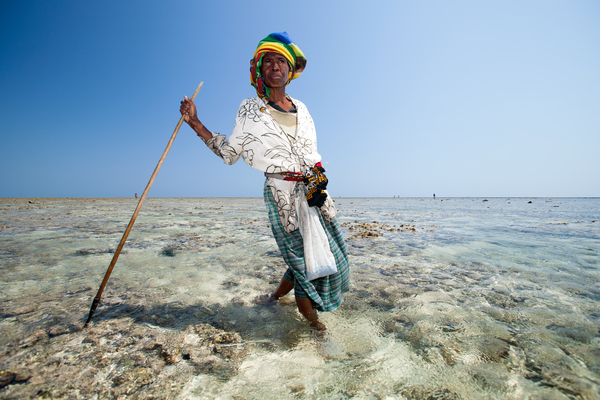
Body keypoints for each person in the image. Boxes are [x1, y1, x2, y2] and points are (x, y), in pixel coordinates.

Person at [179, 32, 349, 330]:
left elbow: (313, 153)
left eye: (281, 61)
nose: (275, 66)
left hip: (314, 191)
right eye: (268, 61)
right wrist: (195, 122)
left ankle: (273, 297)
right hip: (282, 193)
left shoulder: (304, 109)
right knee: (301, 259)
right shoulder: (250, 109)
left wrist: (319, 183)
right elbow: (230, 153)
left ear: (289, 70)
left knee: (333, 255)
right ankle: (313, 324)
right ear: (259, 70)